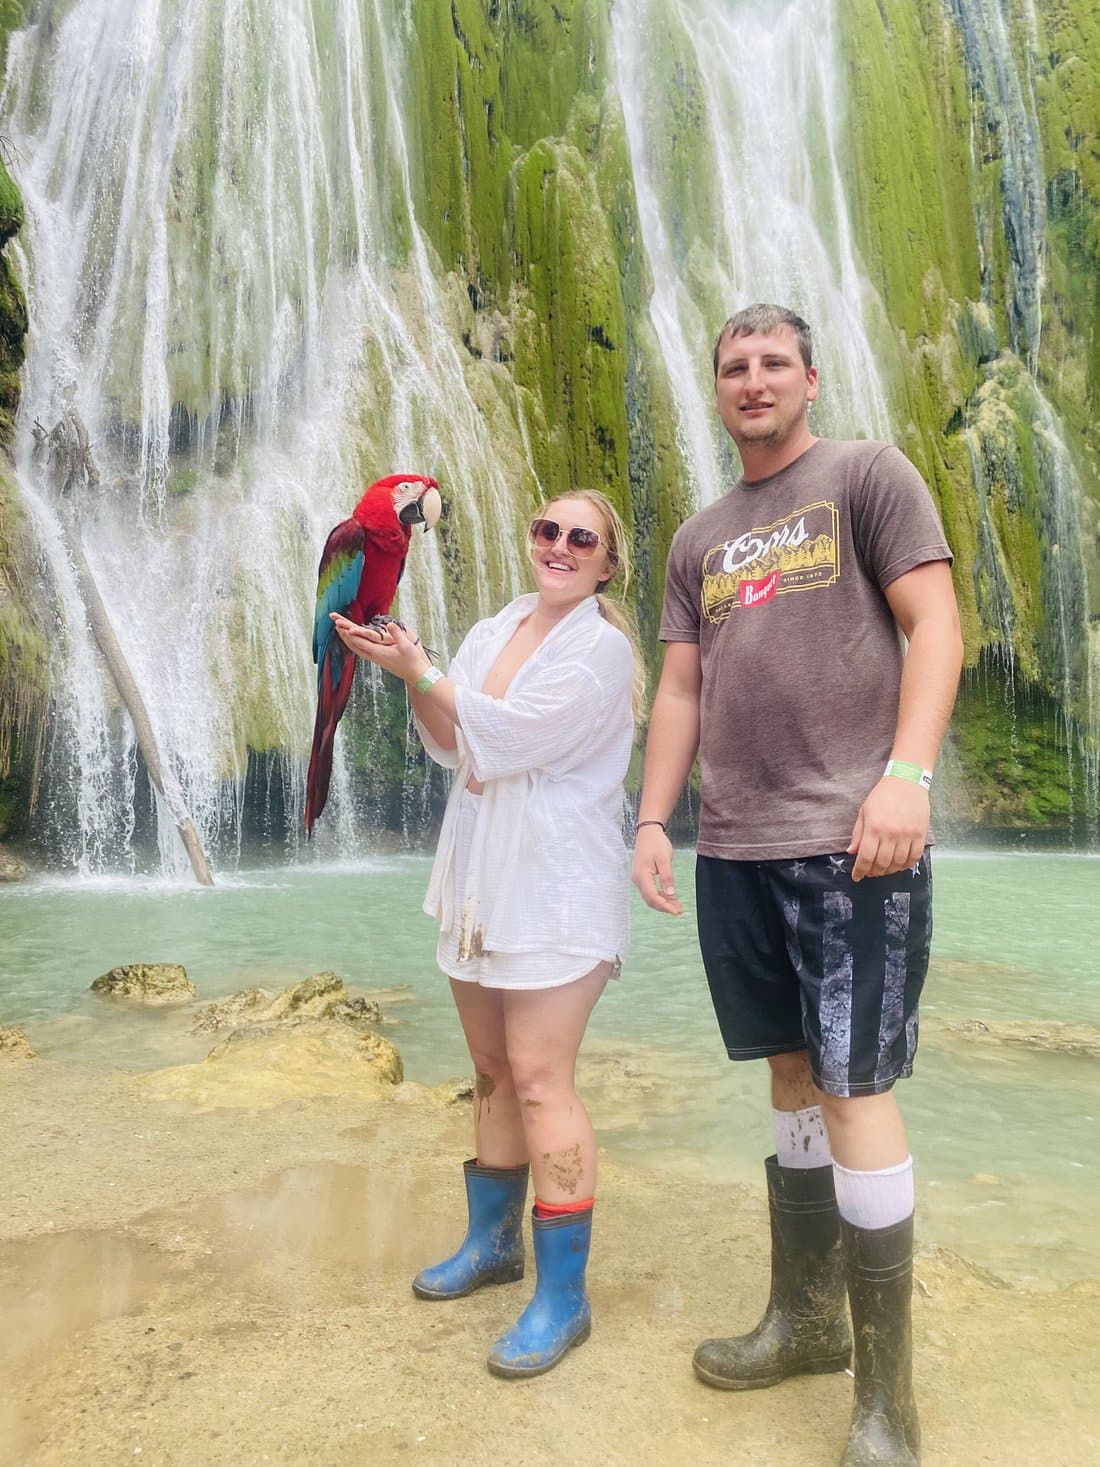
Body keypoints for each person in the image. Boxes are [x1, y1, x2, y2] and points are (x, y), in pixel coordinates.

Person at [631, 304, 963, 1466]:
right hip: (734, 843)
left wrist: (906, 777)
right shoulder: (697, 537)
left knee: (853, 1083)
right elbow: (678, 692)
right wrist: (651, 820)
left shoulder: (868, 477)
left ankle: (886, 1398)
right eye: (733, 366)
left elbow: (933, 624)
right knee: (786, 1075)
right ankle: (806, 1321)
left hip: (853, 837)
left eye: (773, 362)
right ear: (715, 388)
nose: (752, 379)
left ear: (809, 379)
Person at [332, 488, 639, 1379]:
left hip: (554, 890)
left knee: (543, 1081)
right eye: (546, 529)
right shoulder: (495, 625)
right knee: (494, 1070)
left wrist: (418, 668)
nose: (559, 545)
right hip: (479, 879)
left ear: (606, 562)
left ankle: (563, 1296)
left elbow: (511, 735)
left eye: (581, 538)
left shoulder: (605, 651)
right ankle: (493, 1245)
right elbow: (453, 742)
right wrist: (415, 675)